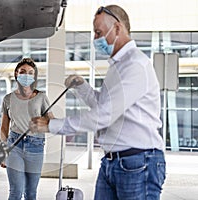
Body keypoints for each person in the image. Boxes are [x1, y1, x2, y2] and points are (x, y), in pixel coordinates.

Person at [30, 5, 166, 200]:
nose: (95, 39)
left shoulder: (135, 64)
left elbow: (104, 115)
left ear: (117, 28)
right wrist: (82, 87)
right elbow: (103, 105)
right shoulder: (117, 67)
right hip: (113, 162)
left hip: (137, 163)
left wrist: (53, 125)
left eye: (98, 32)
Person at [0, 58, 54, 200]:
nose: (26, 75)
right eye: (23, 72)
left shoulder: (41, 97)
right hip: (14, 145)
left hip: (35, 146)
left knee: (30, 193)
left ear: (34, 76)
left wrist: (45, 122)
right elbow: (4, 127)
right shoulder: (8, 99)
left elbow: (52, 121)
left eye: (30, 72)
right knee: (15, 191)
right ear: (16, 74)